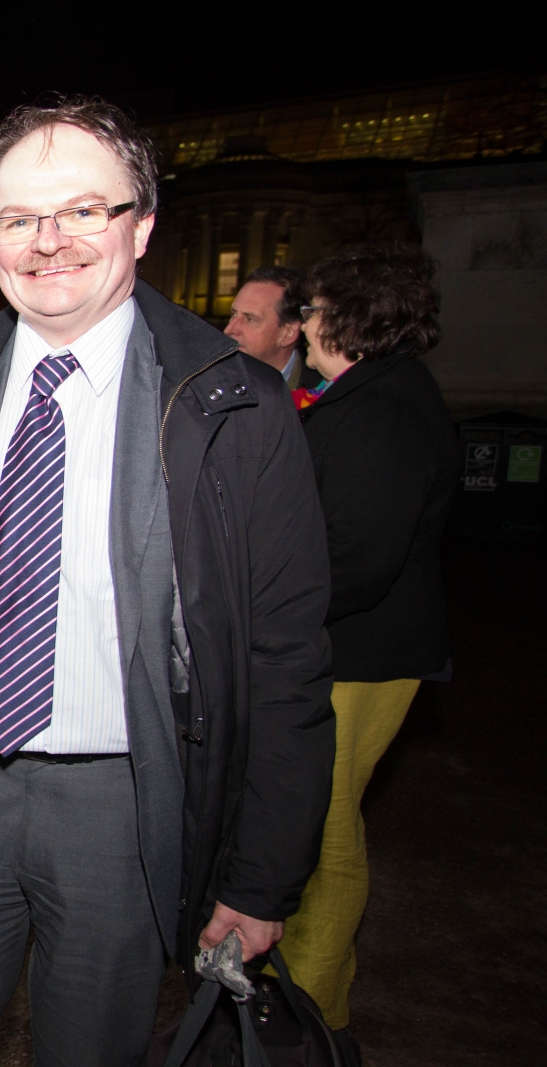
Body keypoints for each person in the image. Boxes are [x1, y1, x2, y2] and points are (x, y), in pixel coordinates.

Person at [0, 98, 336, 1067]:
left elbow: (284, 655)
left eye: (82, 211)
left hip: (127, 800)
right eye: (18, 219)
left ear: (140, 224)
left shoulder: (237, 406)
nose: (47, 241)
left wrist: (261, 875)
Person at [281, 245, 457, 1031]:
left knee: (323, 829)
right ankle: (308, 992)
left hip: (362, 654)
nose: (304, 324)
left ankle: (312, 1011)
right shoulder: (375, 395)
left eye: (313, 309)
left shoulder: (382, 411)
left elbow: (357, 557)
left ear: (350, 317)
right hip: (355, 650)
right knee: (319, 821)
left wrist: (270, 610)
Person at [224, 266, 319, 391]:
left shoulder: (321, 393)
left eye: (250, 319)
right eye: (233, 314)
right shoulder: (204, 379)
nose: (229, 330)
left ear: (288, 333)